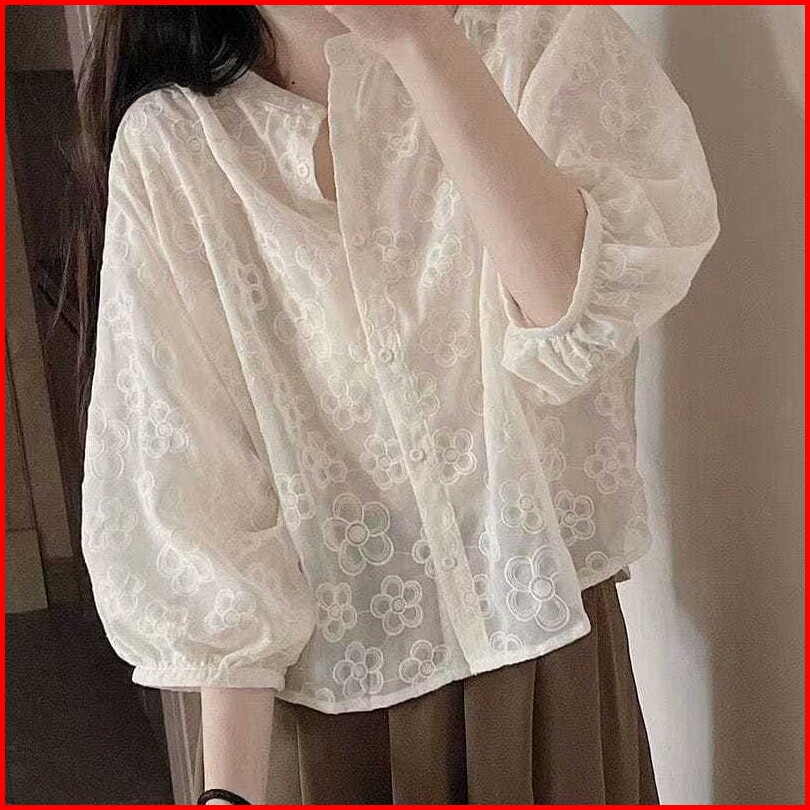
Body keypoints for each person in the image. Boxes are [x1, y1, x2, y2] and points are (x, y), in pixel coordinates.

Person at [61, 4, 720, 805]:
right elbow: (203, 498)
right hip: (321, 716)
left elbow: (567, 309)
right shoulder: (175, 146)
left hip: (550, 674)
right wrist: (227, 797)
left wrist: (421, 42)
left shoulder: (537, 36)